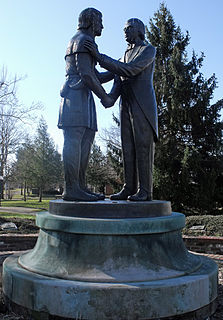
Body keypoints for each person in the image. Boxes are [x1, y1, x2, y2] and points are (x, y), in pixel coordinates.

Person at [84, 18, 158, 201]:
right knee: (127, 148)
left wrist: (100, 56)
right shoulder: (122, 57)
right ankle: (129, 187)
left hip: (142, 107)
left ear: (139, 30)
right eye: (124, 29)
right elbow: (108, 78)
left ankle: (145, 191)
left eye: (129, 28)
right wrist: (88, 63)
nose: (125, 31)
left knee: (142, 148)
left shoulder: (148, 50)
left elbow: (130, 70)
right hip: (126, 107)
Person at [58, 8, 114, 201]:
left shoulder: (84, 41)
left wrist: (117, 72)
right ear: (91, 22)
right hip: (76, 96)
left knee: (86, 141)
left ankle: (80, 186)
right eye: (100, 21)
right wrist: (105, 97)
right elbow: (87, 74)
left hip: (83, 96)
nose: (102, 26)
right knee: (74, 140)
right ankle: (72, 188)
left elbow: (95, 75)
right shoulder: (83, 40)